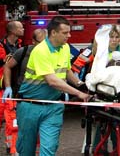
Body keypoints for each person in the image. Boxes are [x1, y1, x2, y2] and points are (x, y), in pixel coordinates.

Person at [15, 16, 90, 156]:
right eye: (65, 32)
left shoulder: (66, 48)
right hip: (29, 106)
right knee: (26, 149)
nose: (69, 35)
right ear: (53, 33)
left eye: (69, 32)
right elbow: (52, 80)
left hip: (53, 107)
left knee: (49, 149)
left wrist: (81, 85)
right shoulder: (40, 51)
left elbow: (67, 71)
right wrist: (78, 94)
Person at [2, 28, 45, 155]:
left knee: (35, 130)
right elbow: (7, 67)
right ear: (33, 41)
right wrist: (8, 86)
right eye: (40, 43)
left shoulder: (50, 53)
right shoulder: (24, 51)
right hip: (20, 97)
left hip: (40, 99)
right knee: (16, 126)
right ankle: (15, 151)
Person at [0, 21, 24, 152]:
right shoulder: (1, 46)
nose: (23, 29)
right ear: (13, 31)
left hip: (10, 89)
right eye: (21, 27)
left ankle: (11, 148)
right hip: (1, 89)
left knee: (12, 122)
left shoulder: (20, 46)